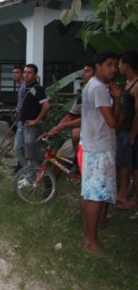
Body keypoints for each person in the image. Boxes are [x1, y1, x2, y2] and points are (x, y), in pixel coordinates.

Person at [80, 50, 120, 253]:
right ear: (98, 66)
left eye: (115, 65)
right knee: (95, 195)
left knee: (89, 193)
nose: (113, 69)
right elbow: (112, 122)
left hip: (91, 145)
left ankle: (87, 236)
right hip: (100, 146)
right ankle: (91, 242)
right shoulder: (100, 89)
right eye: (109, 64)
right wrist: (118, 100)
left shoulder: (92, 86)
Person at [39, 62, 96, 174]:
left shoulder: (99, 93)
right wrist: (54, 130)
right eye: (83, 71)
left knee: (75, 133)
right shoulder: (81, 98)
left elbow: (87, 119)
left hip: (93, 136)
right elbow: (69, 116)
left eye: (87, 71)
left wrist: (63, 126)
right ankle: (50, 187)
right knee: (58, 159)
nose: (83, 74)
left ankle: (77, 163)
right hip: (80, 137)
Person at [14, 64, 50, 168]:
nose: (26, 75)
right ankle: (29, 172)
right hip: (23, 124)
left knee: (30, 153)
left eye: (29, 73)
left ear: (35, 75)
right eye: (25, 72)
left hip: (32, 126)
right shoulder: (25, 87)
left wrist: (36, 120)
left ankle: (30, 176)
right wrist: (21, 119)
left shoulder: (37, 88)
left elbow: (46, 106)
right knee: (17, 149)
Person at [115, 50, 138, 210]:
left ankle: (135, 199)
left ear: (126, 65)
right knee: (123, 163)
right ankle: (122, 193)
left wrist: (133, 133)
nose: (118, 67)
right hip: (123, 130)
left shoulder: (136, 85)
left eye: (119, 64)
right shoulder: (127, 83)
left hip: (132, 131)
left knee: (135, 166)